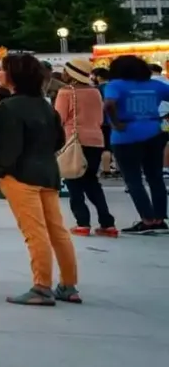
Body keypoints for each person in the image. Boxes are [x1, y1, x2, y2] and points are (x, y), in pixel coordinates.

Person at [0, 53, 78, 304]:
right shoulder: (44, 105)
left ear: (14, 75)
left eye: (2, 69)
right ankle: (68, 284)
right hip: (47, 172)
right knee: (57, 230)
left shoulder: (9, 108)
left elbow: (4, 145)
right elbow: (58, 139)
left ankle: (41, 286)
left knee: (34, 232)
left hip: (20, 175)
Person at [102, 54, 169, 234]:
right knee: (155, 177)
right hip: (154, 131)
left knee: (133, 179)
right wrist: (166, 119)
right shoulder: (155, 85)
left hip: (126, 135)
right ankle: (160, 219)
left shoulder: (115, 85)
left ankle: (147, 220)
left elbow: (109, 105)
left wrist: (116, 123)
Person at [53, 63, 117, 237]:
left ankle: (83, 223)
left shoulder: (66, 92)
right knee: (92, 181)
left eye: (66, 71)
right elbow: (100, 118)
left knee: (73, 182)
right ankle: (108, 223)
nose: (63, 74)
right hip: (96, 139)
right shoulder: (95, 92)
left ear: (72, 74)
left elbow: (58, 119)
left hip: (74, 141)